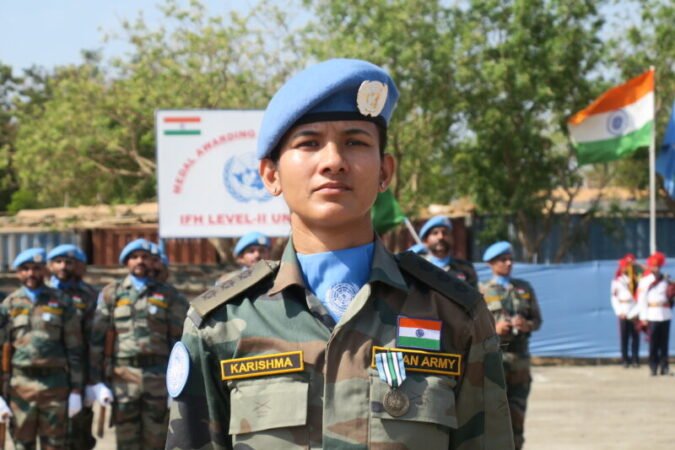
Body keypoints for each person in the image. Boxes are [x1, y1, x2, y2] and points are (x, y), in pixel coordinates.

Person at [165, 58, 513, 450]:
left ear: (385, 172)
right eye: (309, 143)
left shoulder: (455, 314)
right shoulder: (220, 324)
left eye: (355, 142)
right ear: (270, 175)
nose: (333, 161)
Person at [88, 238, 189, 449]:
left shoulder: (169, 294)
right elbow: (98, 339)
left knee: (157, 439)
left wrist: (178, 385)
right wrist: (97, 382)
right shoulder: (112, 293)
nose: (140, 261)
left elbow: (180, 341)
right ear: (126, 262)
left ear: (154, 262)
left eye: (145, 257)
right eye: (134, 257)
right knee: (126, 441)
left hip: (158, 376)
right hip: (123, 376)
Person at [0, 248, 84, 449]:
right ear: (18, 273)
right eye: (25, 269)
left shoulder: (62, 302)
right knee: (22, 445)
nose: (31, 274)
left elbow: (75, 348)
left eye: (36, 268)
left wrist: (76, 390)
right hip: (20, 387)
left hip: (55, 388)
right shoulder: (9, 305)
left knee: (55, 445)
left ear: (45, 271)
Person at [479, 241, 542, 450]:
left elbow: (537, 320)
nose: (508, 263)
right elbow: (472, 326)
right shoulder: (482, 291)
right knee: (492, 418)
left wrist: (526, 325)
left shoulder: (524, 288)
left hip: (520, 361)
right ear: (491, 263)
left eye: (510, 259)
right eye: (502, 260)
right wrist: (494, 329)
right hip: (494, 361)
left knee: (517, 417)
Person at [47, 244, 99, 450]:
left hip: (81, 372)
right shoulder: (41, 293)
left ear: (79, 266)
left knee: (80, 434)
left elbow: (95, 339)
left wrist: (93, 381)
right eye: (58, 262)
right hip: (50, 375)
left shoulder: (89, 295)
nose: (63, 267)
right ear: (50, 266)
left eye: (69, 262)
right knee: (51, 434)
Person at [637, 252, 672, 376]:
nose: (656, 268)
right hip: (652, 314)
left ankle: (665, 366)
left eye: (658, 266)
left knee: (664, 343)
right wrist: (643, 317)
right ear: (650, 267)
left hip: (665, 314)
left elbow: (670, 296)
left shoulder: (666, 280)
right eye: (653, 266)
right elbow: (641, 300)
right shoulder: (645, 281)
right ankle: (653, 366)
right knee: (653, 343)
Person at [419, 215, 478, 287]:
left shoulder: (466, 268)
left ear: (452, 239)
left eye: (445, 232)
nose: (440, 237)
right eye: (435, 233)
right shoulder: (419, 268)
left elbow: (473, 296)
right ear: (425, 241)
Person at [610, 254, 641, 368]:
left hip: (634, 308)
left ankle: (635, 359)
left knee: (635, 336)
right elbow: (614, 297)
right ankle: (625, 359)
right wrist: (619, 311)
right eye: (625, 266)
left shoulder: (638, 279)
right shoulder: (617, 281)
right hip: (623, 308)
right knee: (624, 337)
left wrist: (637, 311)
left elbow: (641, 297)